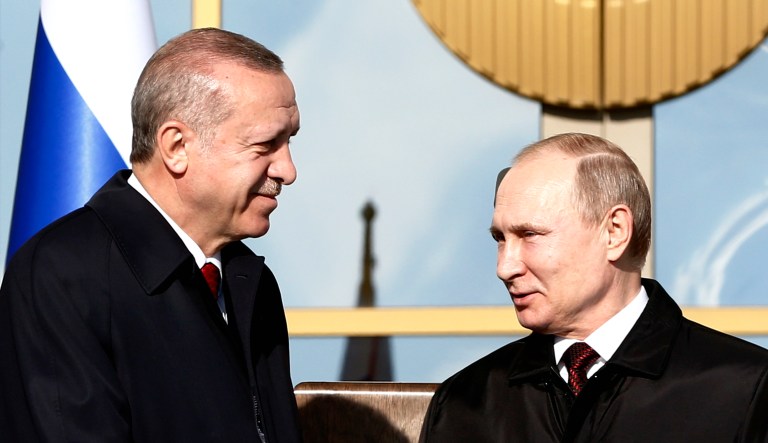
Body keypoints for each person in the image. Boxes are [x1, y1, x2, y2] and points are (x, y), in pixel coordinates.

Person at [0, 28, 302, 442]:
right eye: (266, 144)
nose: (288, 170)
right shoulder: (61, 275)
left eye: (288, 142)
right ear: (177, 146)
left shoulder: (250, 283)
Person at [420, 133, 768, 442]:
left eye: (529, 235)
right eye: (500, 238)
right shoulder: (465, 401)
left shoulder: (745, 389)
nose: (505, 267)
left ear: (614, 231)